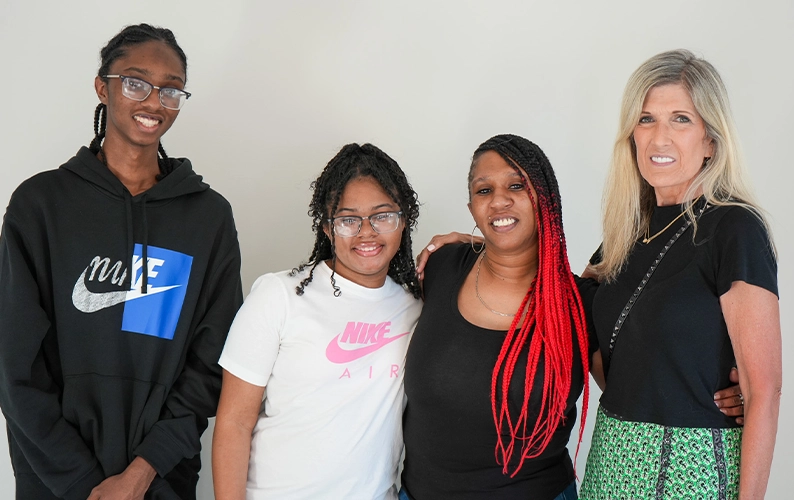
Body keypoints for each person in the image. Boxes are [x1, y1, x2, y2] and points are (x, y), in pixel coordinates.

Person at [0, 24, 243, 500]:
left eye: (171, 89)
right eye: (136, 82)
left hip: (160, 480)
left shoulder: (207, 218)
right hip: (54, 482)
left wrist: (141, 473)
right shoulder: (40, 205)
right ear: (102, 86)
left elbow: (210, 363)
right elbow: (17, 365)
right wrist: (80, 483)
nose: (155, 101)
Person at [579, 49, 781, 499]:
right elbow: (590, 332)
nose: (659, 138)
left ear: (711, 139)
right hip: (612, 458)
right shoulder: (622, 235)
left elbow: (763, 391)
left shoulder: (735, 228)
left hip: (692, 466)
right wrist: (477, 244)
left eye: (681, 119)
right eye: (646, 119)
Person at [212, 143, 422, 499]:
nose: (366, 232)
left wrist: (467, 242)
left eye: (382, 215)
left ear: (404, 219)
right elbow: (234, 423)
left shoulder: (415, 308)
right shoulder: (278, 295)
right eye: (348, 219)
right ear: (327, 227)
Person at [401, 135, 593, 500]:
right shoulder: (442, 267)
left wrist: (723, 390)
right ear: (472, 207)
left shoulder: (581, 305)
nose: (499, 200)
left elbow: (633, 392)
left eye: (517, 185)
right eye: (484, 190)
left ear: (546, 200)